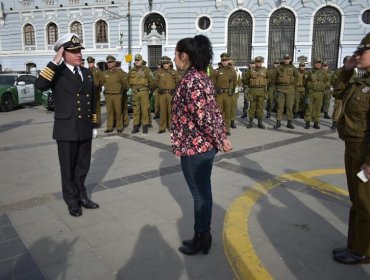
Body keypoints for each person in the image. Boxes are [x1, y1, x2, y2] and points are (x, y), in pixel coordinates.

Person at [171, 35, 232, 256]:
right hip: (201, 147)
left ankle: (202, 238)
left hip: (196, 149)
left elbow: (204, 117)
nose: (174, 59)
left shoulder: (191, 81)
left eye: (175, 55)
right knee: (203, 194)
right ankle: (202, 236)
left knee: (200, 196)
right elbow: (214, 111)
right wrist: (221, 136)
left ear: (184, 55)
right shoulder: (202, 77)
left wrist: (220, 139)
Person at [35, 33, 99, 217]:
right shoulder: (57, 72)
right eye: (74, 51)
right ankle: (72, 201)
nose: (79, 54)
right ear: (63, 53)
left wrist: (94, 124)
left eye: (79, 50)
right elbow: (40, 84)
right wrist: (55, 61)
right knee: (68, 168)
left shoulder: (87, 73)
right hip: (66, 129)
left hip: (84, 127)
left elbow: (92, 99)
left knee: (83, 166)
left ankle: (82, 196)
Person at [332, 32, 370, 265]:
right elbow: (337, 92)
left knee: (366, 202)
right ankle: (354, 245)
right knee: (357, 199)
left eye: (362, 52)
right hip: (353, 146)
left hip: (364, 150)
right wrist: (347, 69)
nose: (357, 56)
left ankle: (362, 251)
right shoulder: (361, 80)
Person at [128, 54, 157, 134]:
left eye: (138, 60)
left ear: (141, 60)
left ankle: (145, 126)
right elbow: (128, 80)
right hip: (135, 92)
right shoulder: (132, 70)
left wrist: (149, 89)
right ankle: (136, 127)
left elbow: (153, 82)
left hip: (144, 92)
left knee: (144, 109)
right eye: (136, 60)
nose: (137, 62)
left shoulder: (146, 70)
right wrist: (133, 88)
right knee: (135, 110)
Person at [101, 55, 128, 133]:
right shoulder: (104, 73)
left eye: (111, 62)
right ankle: (109, 127)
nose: (109, 63)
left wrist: (121, 92)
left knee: (118, 111)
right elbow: (102, 82)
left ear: (114, 62)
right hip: (108, 95)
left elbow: (125, 84)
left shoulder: (119, 73)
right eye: (108, 62)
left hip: (117, 95)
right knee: (109, 112)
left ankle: (119, 127)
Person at [213, 53, 237, 135]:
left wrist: (231, 90)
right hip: (219, 94)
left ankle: (227, 129)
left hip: (228, 94)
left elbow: (235, 82)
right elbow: (213, 82)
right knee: (219, 112)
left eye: (225, 60)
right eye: (223, 60)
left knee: (227, 111)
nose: (224, 62)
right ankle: (219, 128)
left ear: (228, 61)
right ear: (221, 61)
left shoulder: (232, 71)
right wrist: (216, 90)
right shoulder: (217, 71)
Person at [330, 56, 356, 129]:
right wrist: (337, 86)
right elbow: (333, 80)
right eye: (346, 62)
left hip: (348, 93)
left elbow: (354, 80)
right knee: (337, 107)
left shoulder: (353, 71)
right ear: (344, 62)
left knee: (347, 108)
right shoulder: (338, 71)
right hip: (339, 92)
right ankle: (334, 122)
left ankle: (345, 123)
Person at [156, 56, 180, 133]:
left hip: (170, 94)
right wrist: (158, 88)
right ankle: (162, 127)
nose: (165, 65)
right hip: (162, 94)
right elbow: (156, 82)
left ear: (169, 64)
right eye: (164, 64)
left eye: (167, 63)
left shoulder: (174, 72)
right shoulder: (159, 72)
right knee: (162, 111)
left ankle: (171, 127)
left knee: (171, 111)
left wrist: (175, 90)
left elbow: (178, 82)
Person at [273, 54, 298, 129]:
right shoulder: (279, 68)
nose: (286, 60)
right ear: (283, 59)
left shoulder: (293, 68)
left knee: (289, 106)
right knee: (280, 106)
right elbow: (274, 78)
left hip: (290, 89)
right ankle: (278, 122)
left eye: (288, 59)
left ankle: (289, 122)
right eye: (285, 59)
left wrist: (292, 85)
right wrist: (277, 87)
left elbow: (296, 78)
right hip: (281, 89)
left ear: (290, 59)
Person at [242, 56, 268, 129]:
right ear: (255, 62)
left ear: (261, 62)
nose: (258, 63)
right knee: (252, 107)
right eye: (257, 62)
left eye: (259, 62)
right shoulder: (250, 70)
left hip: (261, 91)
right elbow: (246, 80)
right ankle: (250, 123)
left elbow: (269, 79)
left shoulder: (265, 70)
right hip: (252, 91)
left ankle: (260, 123)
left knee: (260, 107)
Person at [304, 58, 328, 129]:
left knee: (317, 108)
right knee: (309, 107)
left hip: (319, 93)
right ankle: (307, 122)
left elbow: (326, 81)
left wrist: (322, 87)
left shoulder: (324, 72)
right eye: (316, 63)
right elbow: (305, 81)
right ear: (314, 64)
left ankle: (316, 123)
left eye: (319, 63)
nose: (318, 64)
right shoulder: (310, 72)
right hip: (310, 93)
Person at [87, 56, 102, 128]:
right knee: (90, 107)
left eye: (91, 63)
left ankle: (97, 122)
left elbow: (101, 80)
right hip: (89, 91)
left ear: (93, 63)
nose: (90, 64)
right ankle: (92, 121)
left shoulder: (97, 71)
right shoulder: (86, 71)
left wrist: (99, 87)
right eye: (89, 63)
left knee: (97, 107)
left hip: (96, 91)